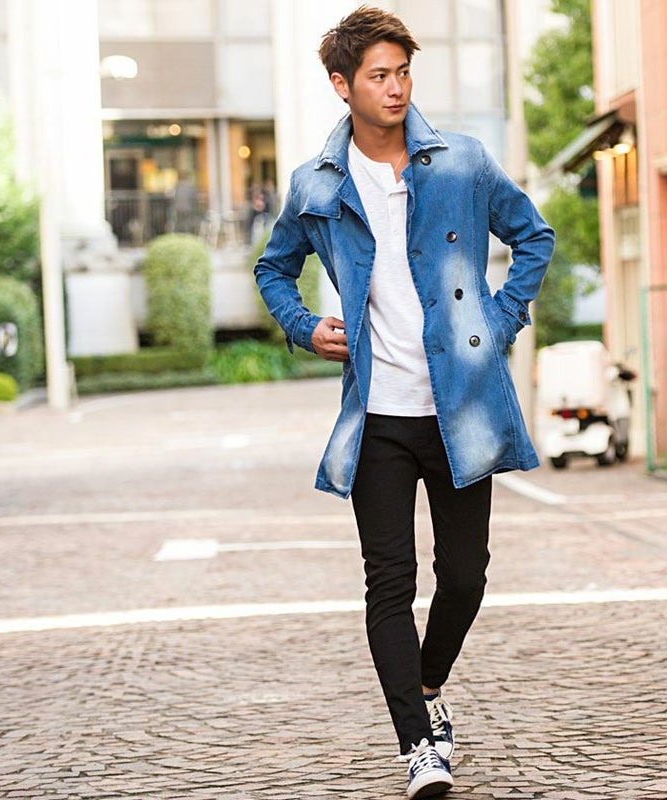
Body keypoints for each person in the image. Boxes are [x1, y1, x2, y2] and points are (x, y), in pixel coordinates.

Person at [254, 7, 554, 798]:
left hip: (462, 410)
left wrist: (500, 317)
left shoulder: (462, 163)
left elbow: (534, 235)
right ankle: (419, 745)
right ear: (341, 85)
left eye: (403, 72)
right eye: (379, 75)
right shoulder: (317, 183)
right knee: (388, 584)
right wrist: (301, 326)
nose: (395, 88)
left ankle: (427, 684)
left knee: (465, 578)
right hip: (378, 419)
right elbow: (272, 267)